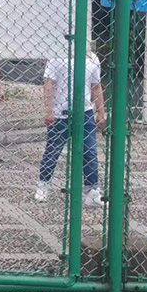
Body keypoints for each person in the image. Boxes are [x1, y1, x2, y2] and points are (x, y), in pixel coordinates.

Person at [34, 51, 106, 207]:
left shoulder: (92, 57)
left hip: (85, 112)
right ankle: (43, 184)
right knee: (52, 152)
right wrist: (49, 111)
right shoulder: (56, 56)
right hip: (61, 114)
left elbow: (96, 86)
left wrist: (101, 111)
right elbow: (49, 84)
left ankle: (92, 191)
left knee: (90, 152)